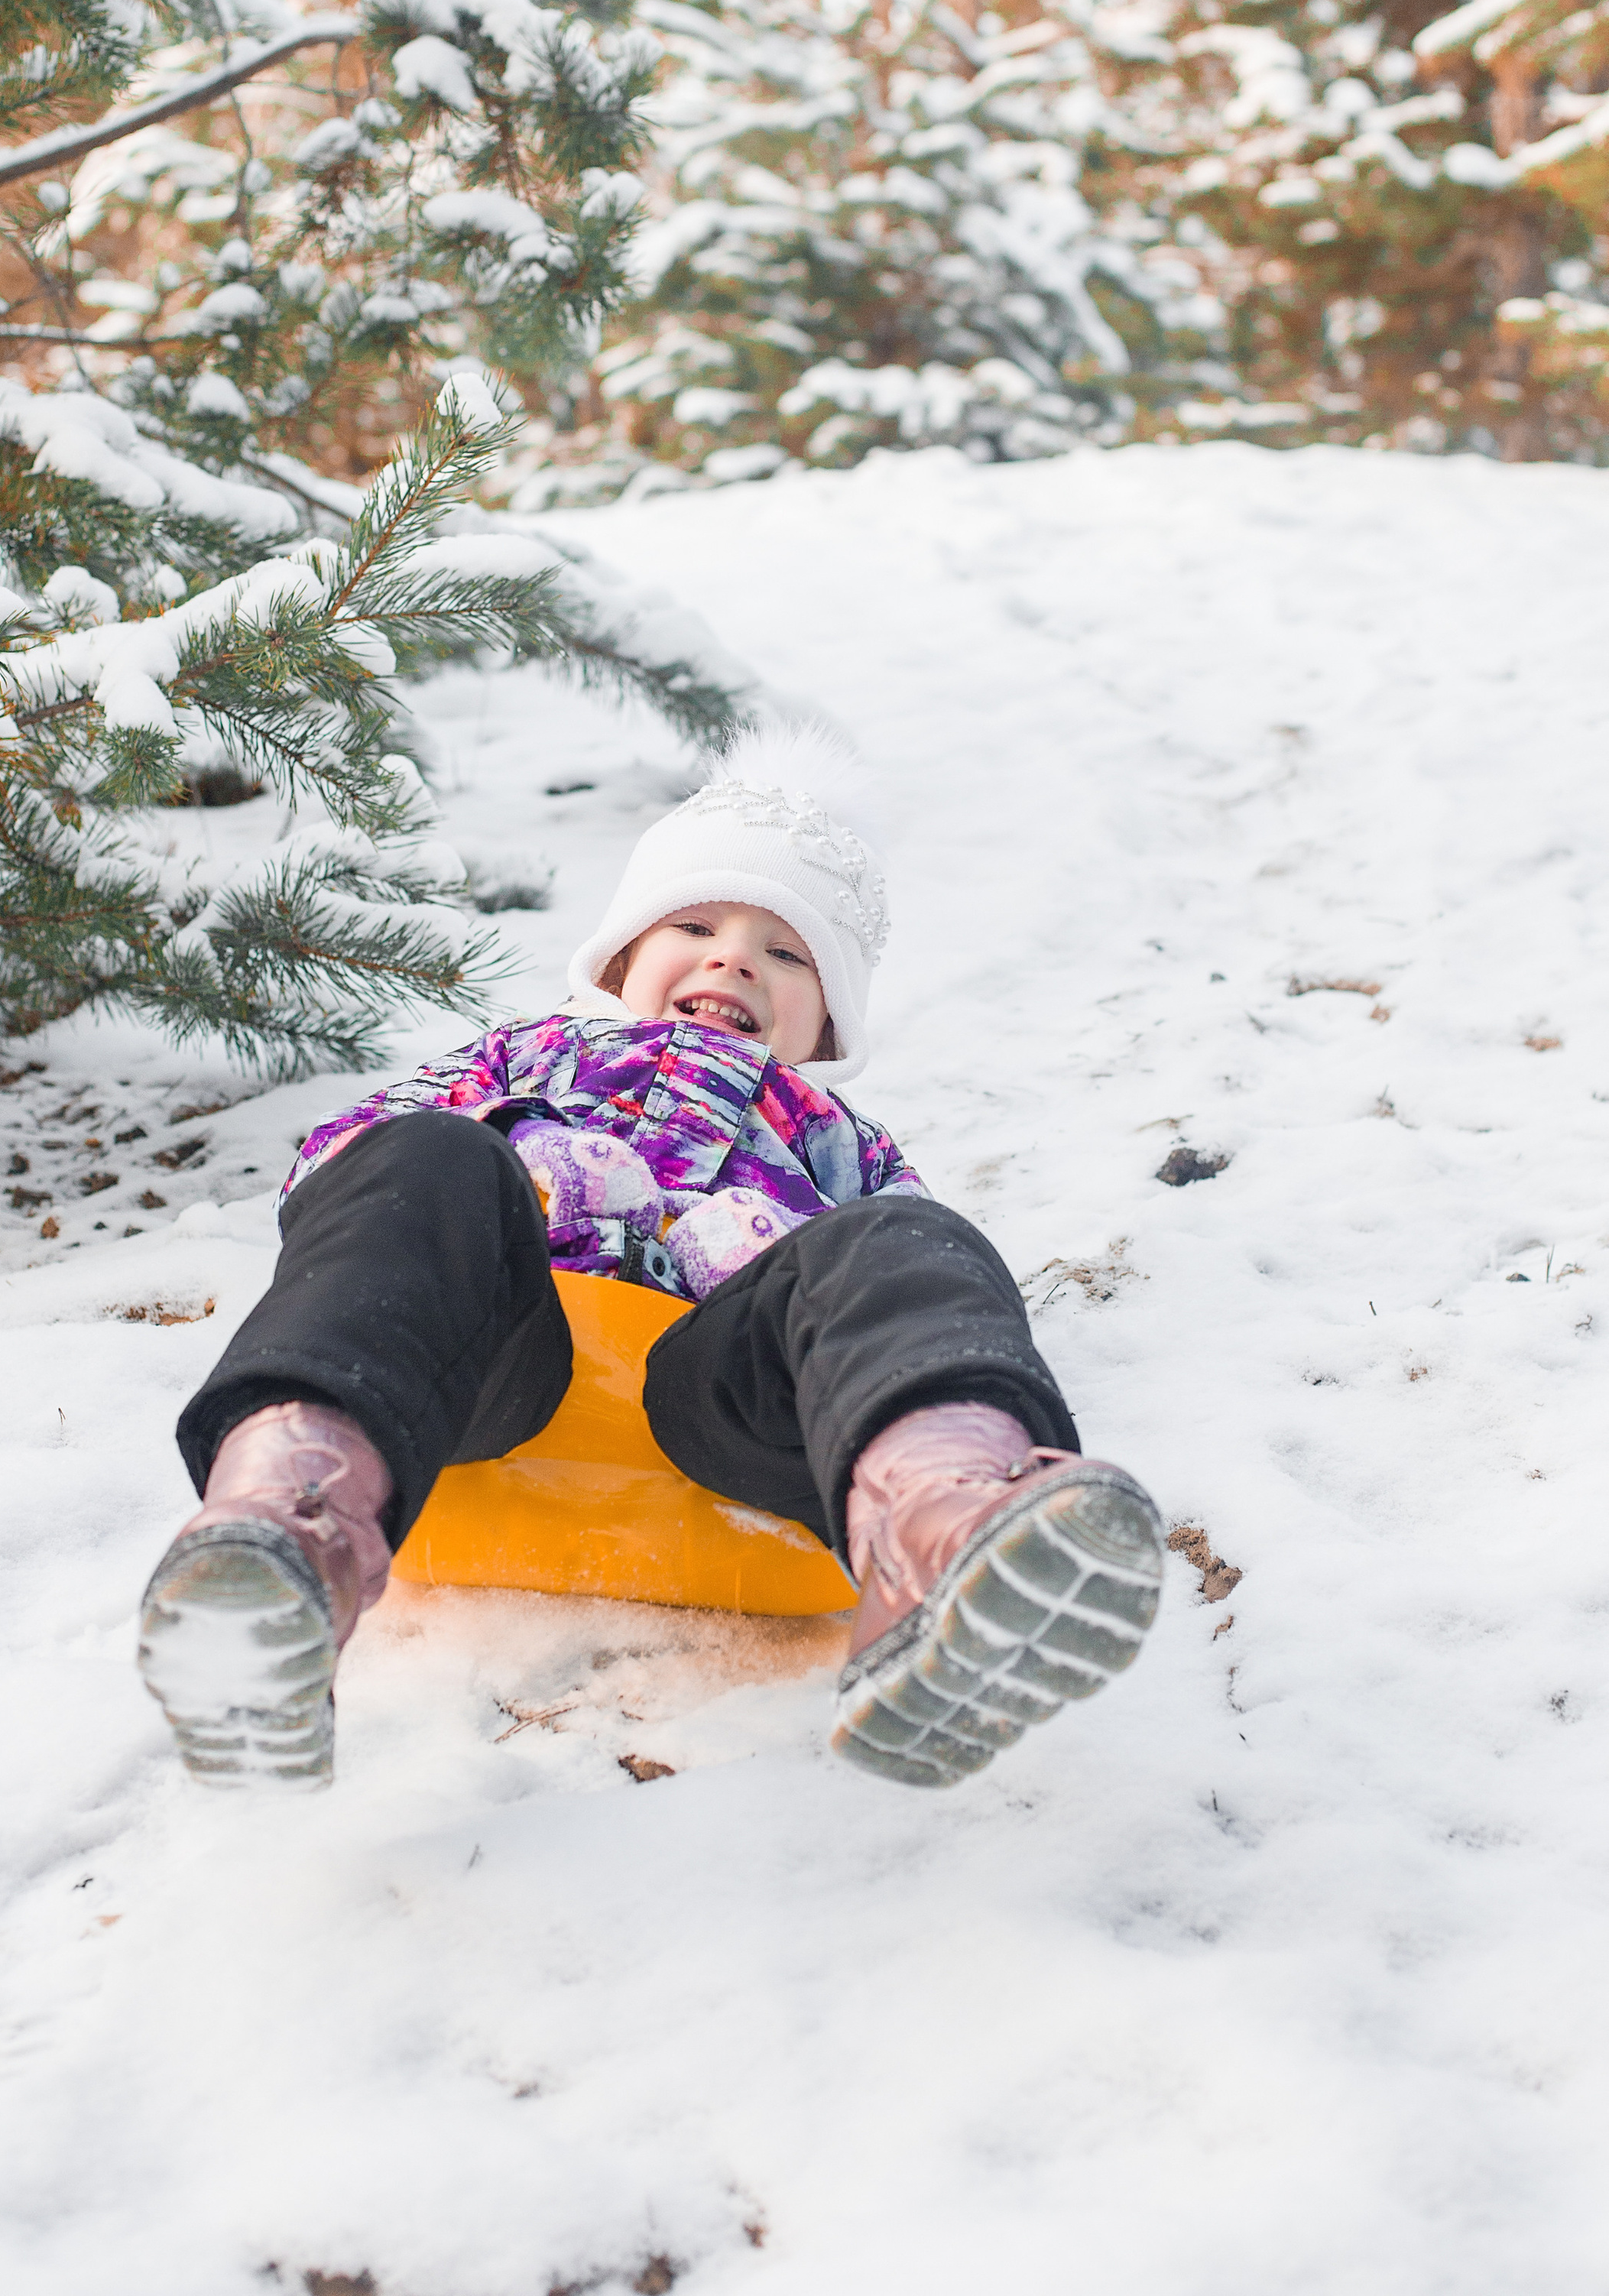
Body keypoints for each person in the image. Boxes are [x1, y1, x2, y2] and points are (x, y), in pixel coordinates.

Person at [138, 727, 1162, 1788]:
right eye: (697, 923)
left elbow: (916, 1298)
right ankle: (289, 1531)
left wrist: (779, 1251)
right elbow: (336, 1170)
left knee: (909, 1239)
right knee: (422, 1155)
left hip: (722, 1409)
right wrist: (516, 1163)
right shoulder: (526, 1050)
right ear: (624, 955)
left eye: (786, 952)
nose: (734, 959)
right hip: (488, 1374)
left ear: (823, 1022)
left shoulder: (832, 1130)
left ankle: (942, 1529)